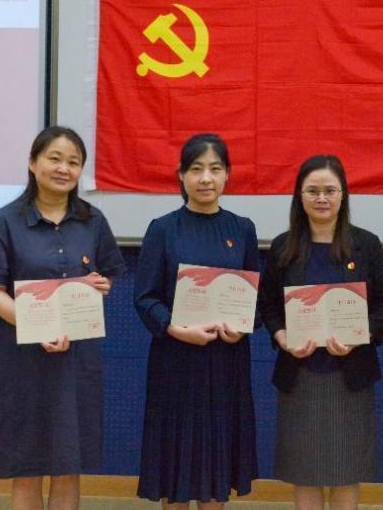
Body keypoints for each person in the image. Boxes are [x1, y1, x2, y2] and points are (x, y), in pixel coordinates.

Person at [0, 125, 126, 510]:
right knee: (26, 468)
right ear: (32, 162)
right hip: (19, 361)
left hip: (75, 361)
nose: (63, 169)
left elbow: (106, 276)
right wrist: (37, 326)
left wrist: (100, 284)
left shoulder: (93, 221)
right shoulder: (3, 222)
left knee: (68, 467)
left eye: (73, 162)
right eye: (54, 158)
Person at [258, 155, 383, 510]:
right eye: (313, 190)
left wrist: (360, 336)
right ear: (299, 195)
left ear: (343, 195)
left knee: (345, 471)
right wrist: (282, 337)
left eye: (330, 190)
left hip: (350, 375)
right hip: (299, 373)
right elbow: (268, 305)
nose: (322, 198)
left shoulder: (366, 244)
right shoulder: (283, 246)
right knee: (304, 471)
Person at [134, 133, 259, 509]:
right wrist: (174, 327)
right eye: (197, 169)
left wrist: (242, 326)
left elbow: (254, 298)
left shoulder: (242, 229)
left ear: (227, 175)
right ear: (181, 175)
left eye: (215, 169)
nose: (206, 178)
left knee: (215, 468)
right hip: (176, 361)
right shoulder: (163, 228)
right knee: (176, 469)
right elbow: (145, 297)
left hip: (225, 363)